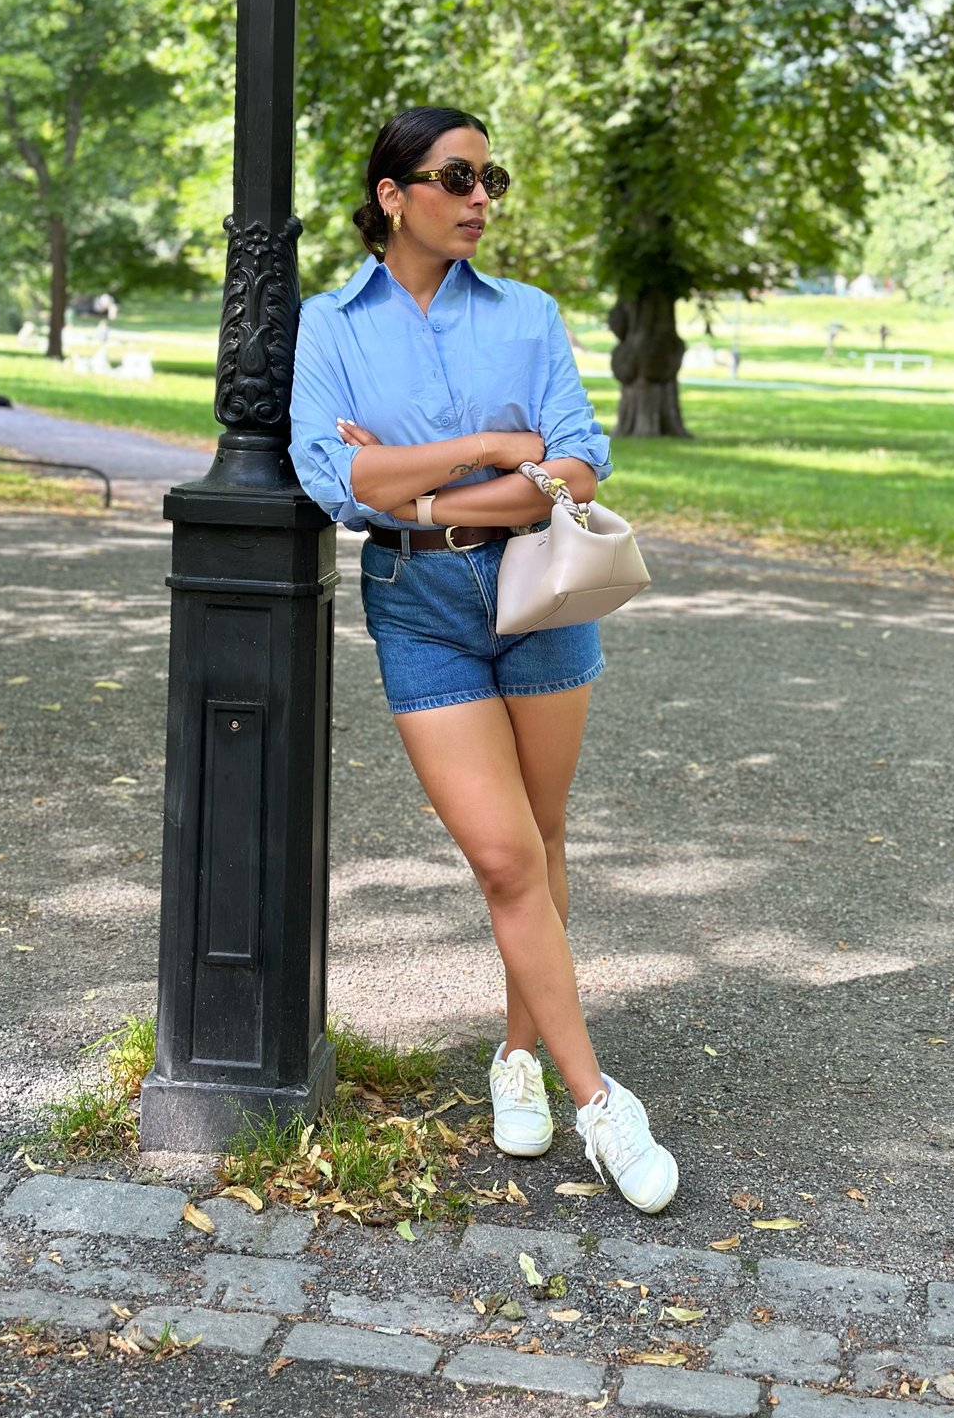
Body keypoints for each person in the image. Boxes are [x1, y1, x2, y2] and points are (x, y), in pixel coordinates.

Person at [289, 106, 678, 1215]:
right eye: (457, 177)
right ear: (391, 195)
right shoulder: (331, 325)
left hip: (543, 594)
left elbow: (581, 466)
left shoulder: (528, 314)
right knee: (507, 857)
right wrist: (489, 448)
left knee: (544, 837)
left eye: (488, 176)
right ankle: (600, 1101)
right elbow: (331, 478)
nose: (480, 198)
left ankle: (516, 1055)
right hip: (417, 602)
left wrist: (417, 479)